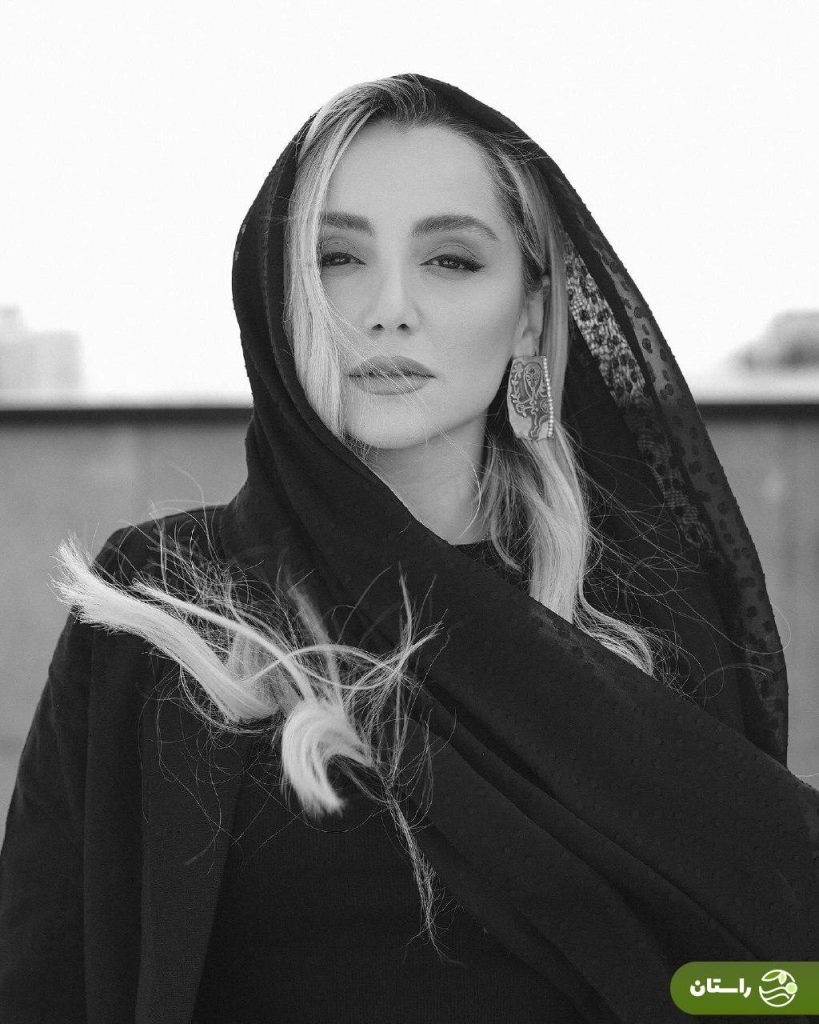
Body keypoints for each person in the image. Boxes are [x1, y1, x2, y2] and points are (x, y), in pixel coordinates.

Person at [1, 72, 818, 1024]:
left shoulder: (642, 614)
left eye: (451, 261)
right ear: (278, 295)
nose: (388, 309)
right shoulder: (160, 606)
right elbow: (39, 979)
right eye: (338, 258)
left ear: (529, 315)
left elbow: (759, 977)